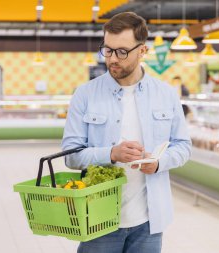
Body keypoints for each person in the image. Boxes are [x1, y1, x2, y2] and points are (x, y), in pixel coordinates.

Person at [62, 12, 191, 253]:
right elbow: (71, 155)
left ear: (142, 51)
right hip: (98, 218)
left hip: (149, 222)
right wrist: (111, 153)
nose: (112, 59)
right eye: (108, 50)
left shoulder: (166, 94)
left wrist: (159, 162)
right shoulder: (85, 94)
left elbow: (183, 146)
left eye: (122, 51)